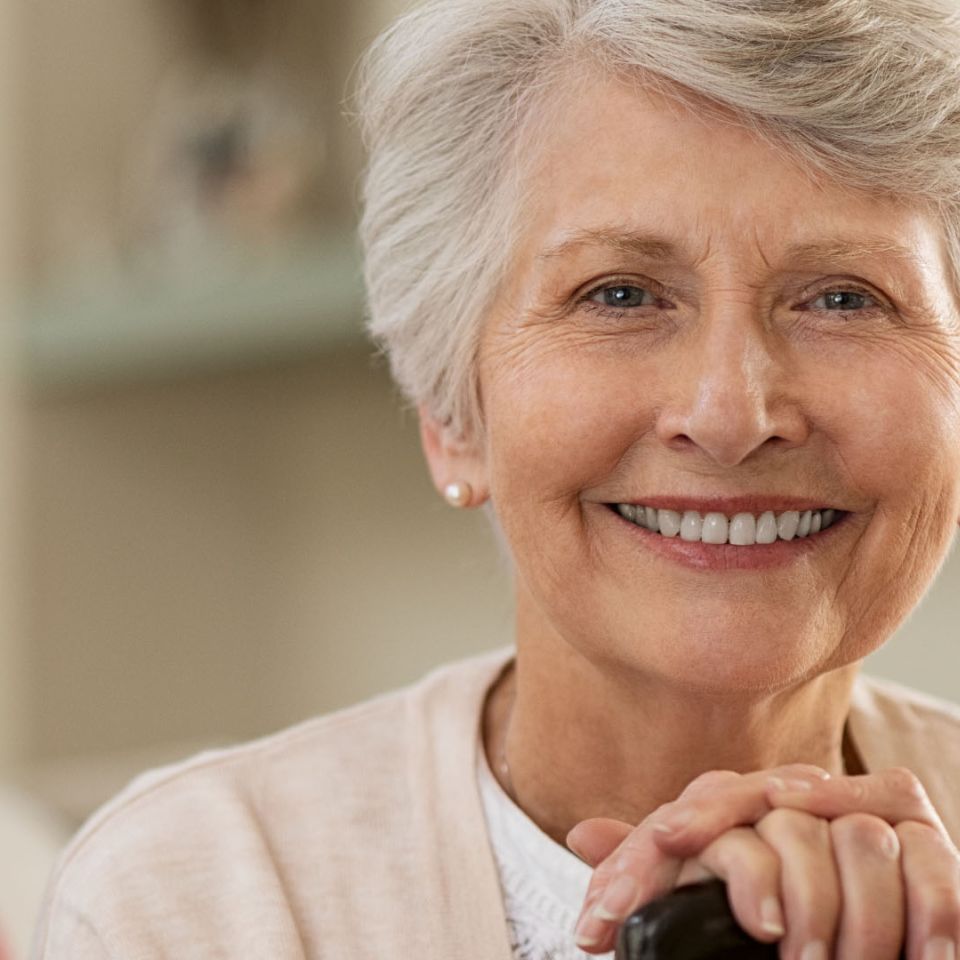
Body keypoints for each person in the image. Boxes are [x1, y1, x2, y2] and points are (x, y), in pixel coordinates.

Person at [31, 0, 960, 957]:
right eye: (621, 294)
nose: (731, 414)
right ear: (452, 416)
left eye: (846, 297)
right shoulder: (192, 901)